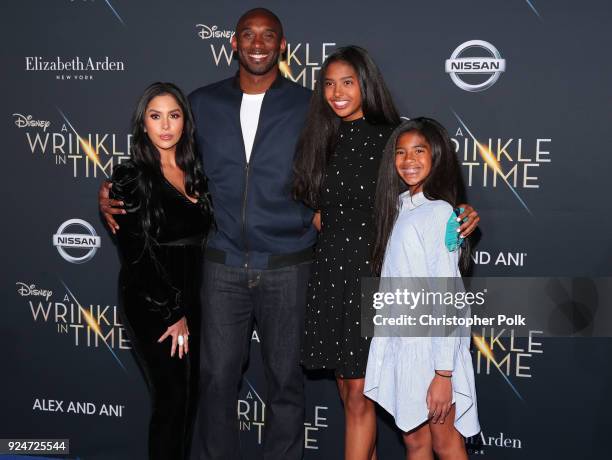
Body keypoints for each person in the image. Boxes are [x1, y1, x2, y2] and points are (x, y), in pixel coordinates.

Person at [100, 8, 316, 460]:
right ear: (233, 44)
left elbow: (354, 163)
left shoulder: (310, 105)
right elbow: (162, 163)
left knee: (286, 385)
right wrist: (113, 190)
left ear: (282, 45)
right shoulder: (201, 102)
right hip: (220, 266)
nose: (258, 43)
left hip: (288, 263)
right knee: (215, 383)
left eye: (268, 35)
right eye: (248, 35)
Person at [293, 48, 479, 460]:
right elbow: (318, 208)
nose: (337, 93)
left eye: (348, 82)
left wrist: (461, 211)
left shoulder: (393, 136)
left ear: (366, 83)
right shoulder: (321, 137)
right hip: (330, 275)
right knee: (348, 392)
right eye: (328, 84)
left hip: (373, 277)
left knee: (360, 395)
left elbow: (428, 184)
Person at [364, 118, 480, 460]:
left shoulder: (440, 212)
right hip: (405, 345)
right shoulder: (399, 204)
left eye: (419, 151)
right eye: (400, 152)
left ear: (437, 156)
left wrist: (443, 374)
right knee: (415, 443)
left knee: (446, 444)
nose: (408, 160)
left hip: (433, 352)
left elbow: (446, 298)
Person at [110, 82, 213, 460]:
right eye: (155, 116)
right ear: (143, 124)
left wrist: (189, 310)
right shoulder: (130, 177)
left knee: (187, 402)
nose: (165, 125)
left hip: (193, 299)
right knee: (171, 403)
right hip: (155, 304)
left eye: (174, 115)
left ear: (185, 121)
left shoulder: (195, 171)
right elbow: (135, 254)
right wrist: (173, 313)